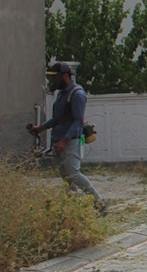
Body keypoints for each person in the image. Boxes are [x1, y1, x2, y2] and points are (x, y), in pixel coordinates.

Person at [27, 62, 106, 215]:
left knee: (74, 173)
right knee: (67, 177)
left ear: (65, 76)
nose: (52, 82)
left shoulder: (77, 94)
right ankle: (74, 210)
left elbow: (77, 121)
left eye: (54, 78)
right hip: (58, 141)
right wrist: (40, 128)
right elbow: (57, 119)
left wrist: (64, 141)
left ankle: (100, 203)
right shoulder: (62, 93)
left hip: (69, 141)